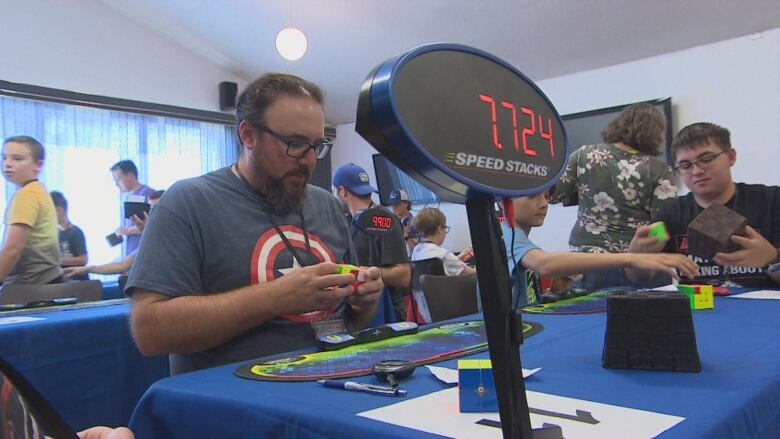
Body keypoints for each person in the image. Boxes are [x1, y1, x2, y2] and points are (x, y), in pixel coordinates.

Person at [126, 73, 384, 375]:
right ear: (248, 135)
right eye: (295, 144)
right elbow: (150, 331)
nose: (309, 160)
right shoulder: (188, 202)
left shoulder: (327, 205)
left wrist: (363, 303)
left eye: (317, 145)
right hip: (233, 404)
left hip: (331, 383)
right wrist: (276, 297)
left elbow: (347, 320)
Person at [628, 122, 780, 287]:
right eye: (685, 165)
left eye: (706, 159)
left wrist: (773, 258)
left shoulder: (772, 200)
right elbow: (640, 278)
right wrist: (636, 256)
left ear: (731, 157)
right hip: (699, 309)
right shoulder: (669, 213)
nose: (697, 171)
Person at [551, 103, 678, 289]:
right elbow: (663, 225)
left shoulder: (585, 155)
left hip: (588, 261)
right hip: (638, 265)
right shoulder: (659, 170)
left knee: (588, 316)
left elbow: (552, 194)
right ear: (655, 134)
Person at [503, 189, 698, 307]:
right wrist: (631, 258)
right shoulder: (505, 233)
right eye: (532, 197)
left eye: (546, 196)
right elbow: (544, 264)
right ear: (503, 202)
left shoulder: (518, 238)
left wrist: (555, 289)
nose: (544, 204)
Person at [333, 163, 410, 322]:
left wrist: (366, 273)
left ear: (342, 191)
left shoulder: (384, 220)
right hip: (356, 313)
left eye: (334, 191)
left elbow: (403, 275)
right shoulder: (347, 222)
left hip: (387, 316)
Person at [0, 136, 62, 286]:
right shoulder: (37, 190)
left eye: (17, 159)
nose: (7, 164)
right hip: (49, 280)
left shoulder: (27, 194)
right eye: (4, 157)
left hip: (36, 286)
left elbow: (13, 248)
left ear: (38, 165)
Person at [63, 191, 164, 282]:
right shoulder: (149, 242)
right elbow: (121, 265)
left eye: (156, 209)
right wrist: (86, 269)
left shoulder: (173, 240)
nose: (151, 214)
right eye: (150, 210)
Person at [409, 207, 475, 322]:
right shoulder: (443, 254)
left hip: (426, 312)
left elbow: (437, 265)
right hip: (452, 309)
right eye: (445, 228)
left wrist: (457, 259)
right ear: (440, 229)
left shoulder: (417, 250)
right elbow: (473, 275)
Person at [110, 160, 154, 257]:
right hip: (130, 254)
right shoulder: (128, 196)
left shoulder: (146, 193)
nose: (116, 184)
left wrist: (127, 231)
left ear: (130, 176)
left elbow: (152, 225)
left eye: (118, 180)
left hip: (143, 253)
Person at [50, 191, 89, 281]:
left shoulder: (75, 232)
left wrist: (58, 261)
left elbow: (83, 259)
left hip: (76, 279)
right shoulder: (54, 233)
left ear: (59, 210)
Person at [388, 189, 417, 253]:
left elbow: (417, 251)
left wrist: (406, 236)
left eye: (397, 204)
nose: (394, 207)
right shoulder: (391, 223)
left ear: (406, 204)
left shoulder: (416, 223)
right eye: (392, 204)